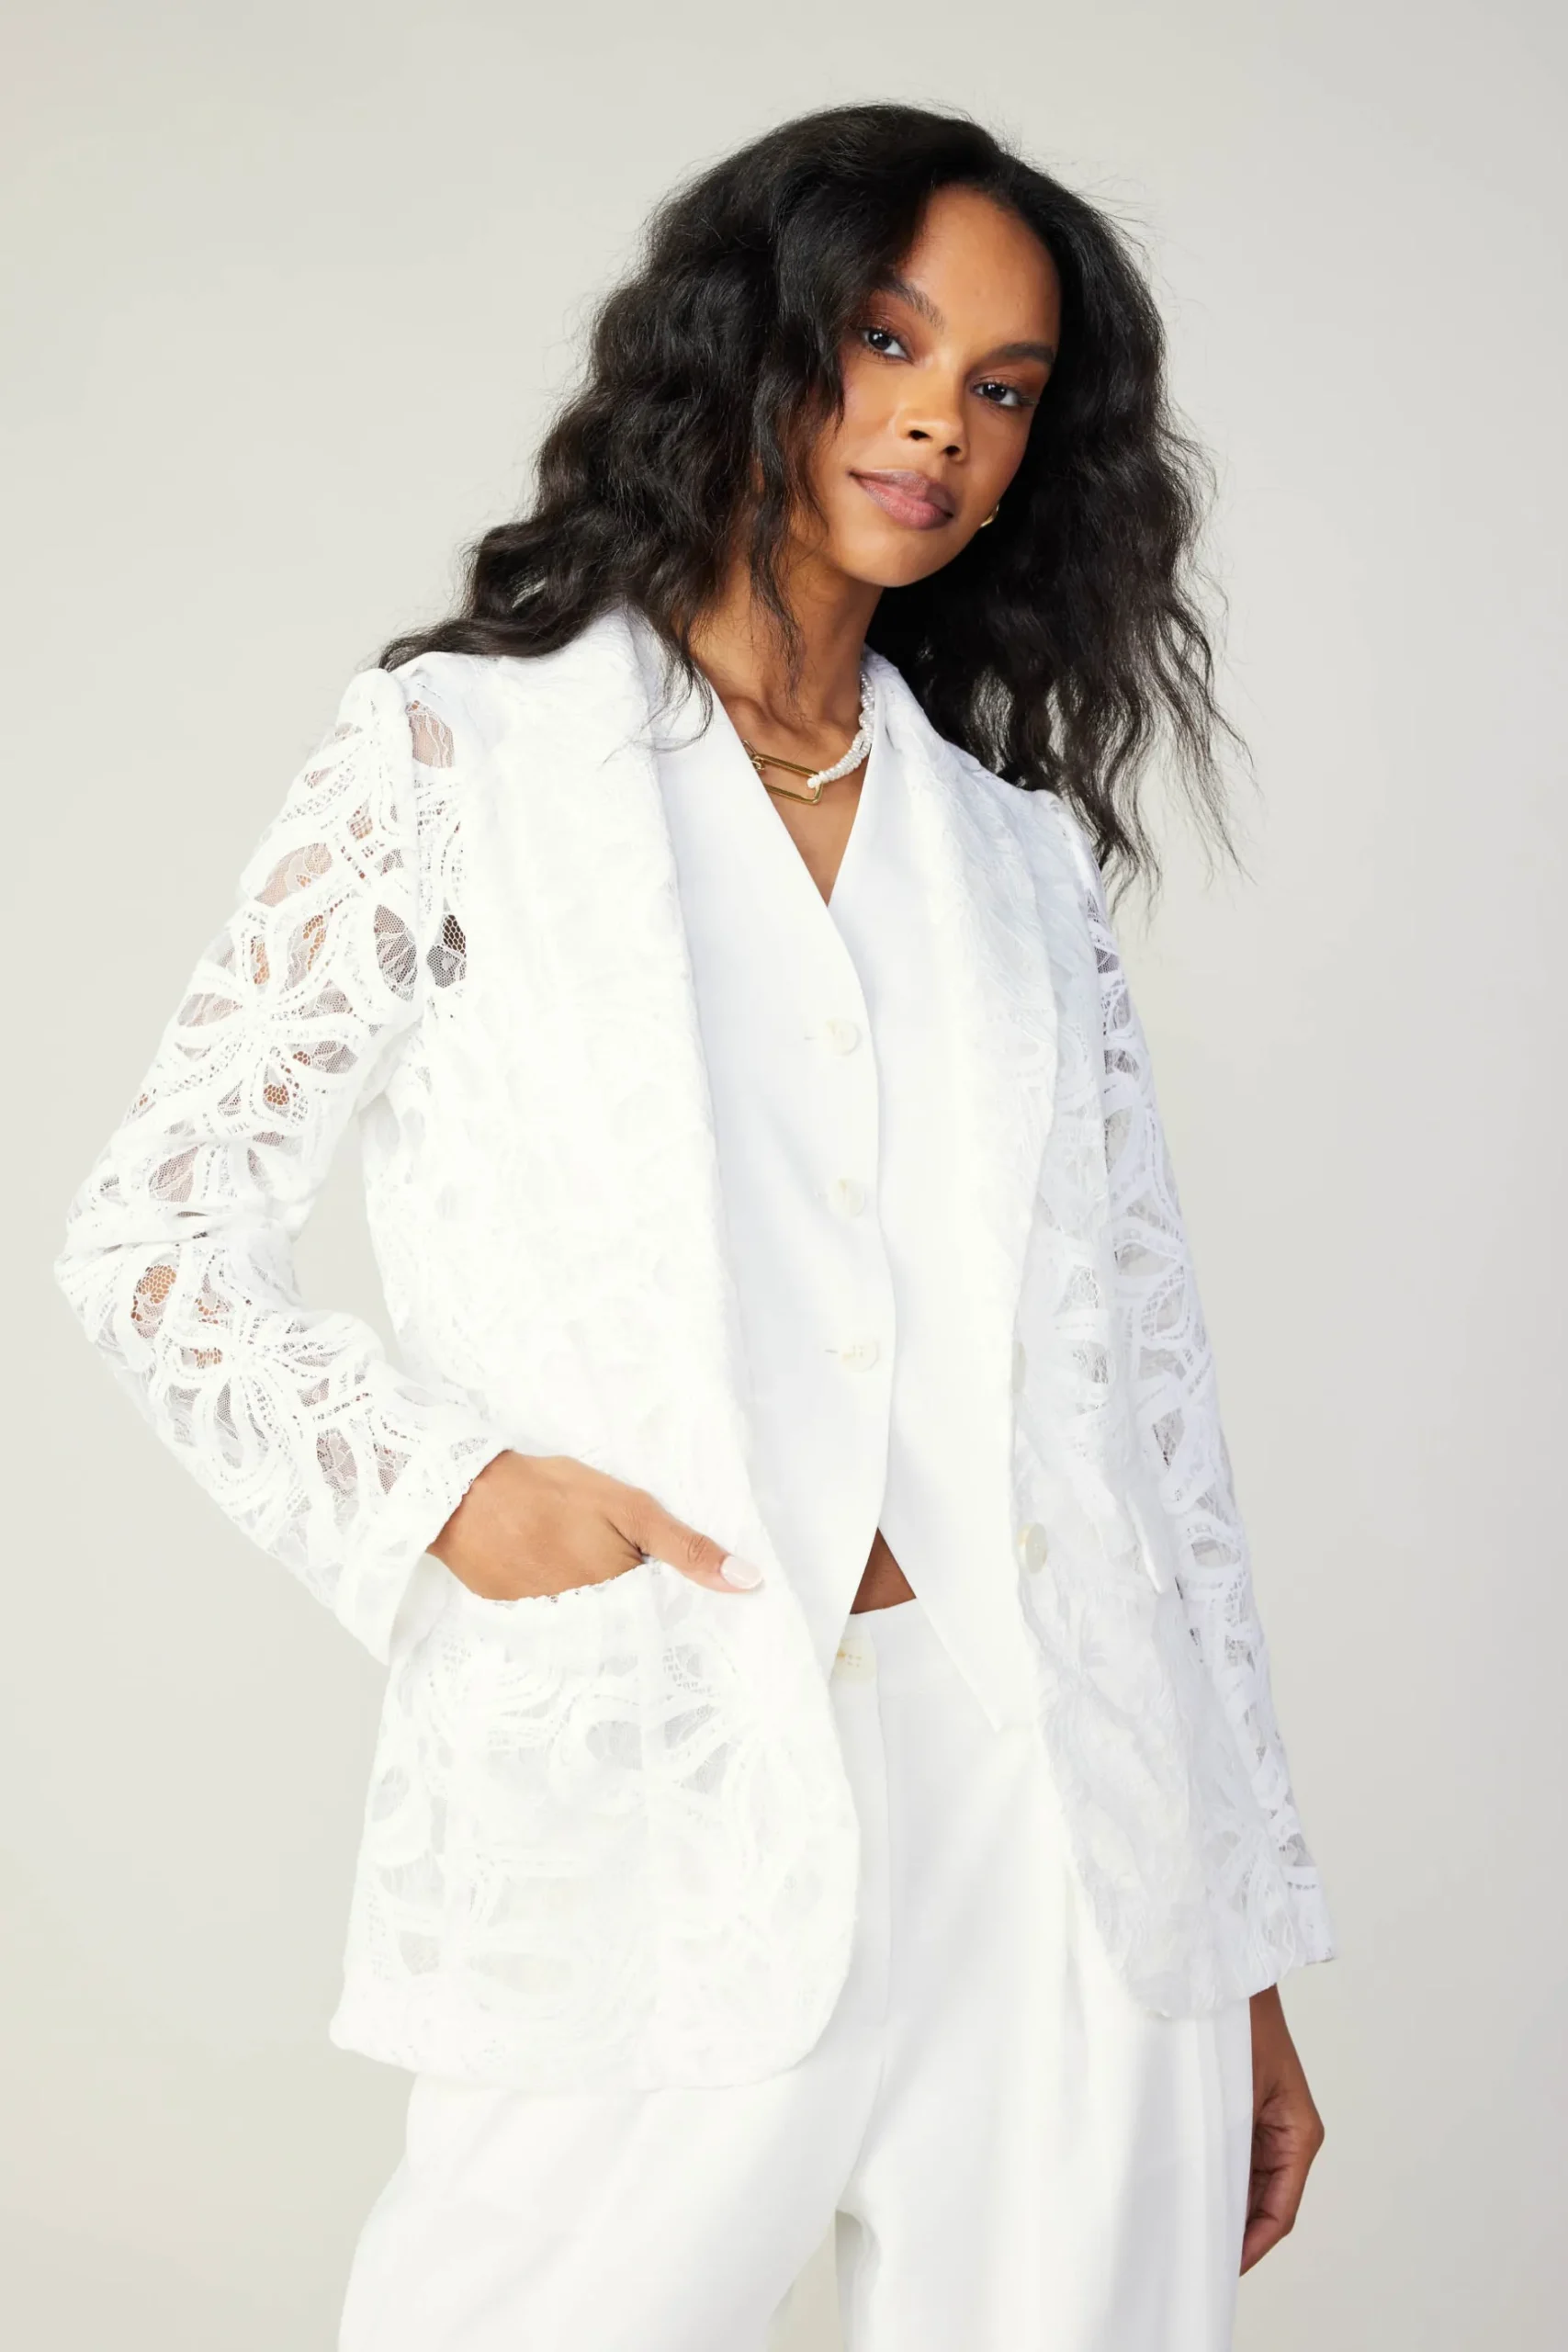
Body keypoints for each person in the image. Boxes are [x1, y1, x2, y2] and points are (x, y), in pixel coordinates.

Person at [52, 101, 1334, 2352]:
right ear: (754, 342)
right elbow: (150, 1230)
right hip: (656, 1783)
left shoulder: (1012, 862)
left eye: (1004, 386)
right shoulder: (462, 761)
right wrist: (448, 1488)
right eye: (887, 342)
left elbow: (1152, 1427)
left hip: (1063, 1828)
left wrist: (1231, 1940)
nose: (938, 421)